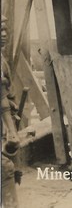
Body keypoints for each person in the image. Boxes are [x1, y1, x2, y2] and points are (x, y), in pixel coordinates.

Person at [1, 15, 20, 207]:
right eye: (0, 30)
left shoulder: (1, 60)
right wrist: (11, 131)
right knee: (4, 168)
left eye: (5, 29)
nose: (4, 34)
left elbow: (5, 95)